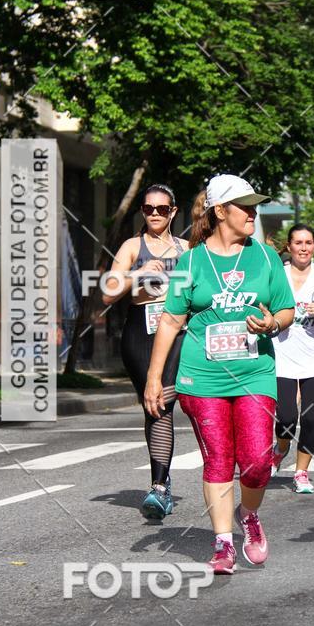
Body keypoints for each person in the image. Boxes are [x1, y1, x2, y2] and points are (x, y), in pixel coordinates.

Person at [144, 175, 295, 573]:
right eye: (244, 206)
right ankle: (223, 542)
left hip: (255, 373)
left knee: (258, 461)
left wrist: (272, 324)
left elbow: (286, 310)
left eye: (254, 205)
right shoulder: (192, 262)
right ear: (220, 211)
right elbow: (171, 319)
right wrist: (154, 377)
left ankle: (249, 513)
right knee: (218, 459)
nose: (252, 212)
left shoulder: (264, 257)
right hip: (202, 376)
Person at [102, 184, 188, 519]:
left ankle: (159, 487)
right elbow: (108, 293)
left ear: (173, 212)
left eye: (162, 209)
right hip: (141, 331)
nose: (155, 214)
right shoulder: (131, 246)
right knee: (153, 405)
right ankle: (162, 483)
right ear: (142, 211)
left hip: (178, 332)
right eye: (149, 208)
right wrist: (138, 273)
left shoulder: (186, 248)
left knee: (163, 400)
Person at [270, 224, 314, 493]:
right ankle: (281, 447)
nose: (304, 247)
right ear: (289, 247)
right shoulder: (277, 275)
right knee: (287, 417)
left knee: (310, 419)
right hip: (282, 357)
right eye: (298, 243)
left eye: (308, 243)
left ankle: (301, 472)